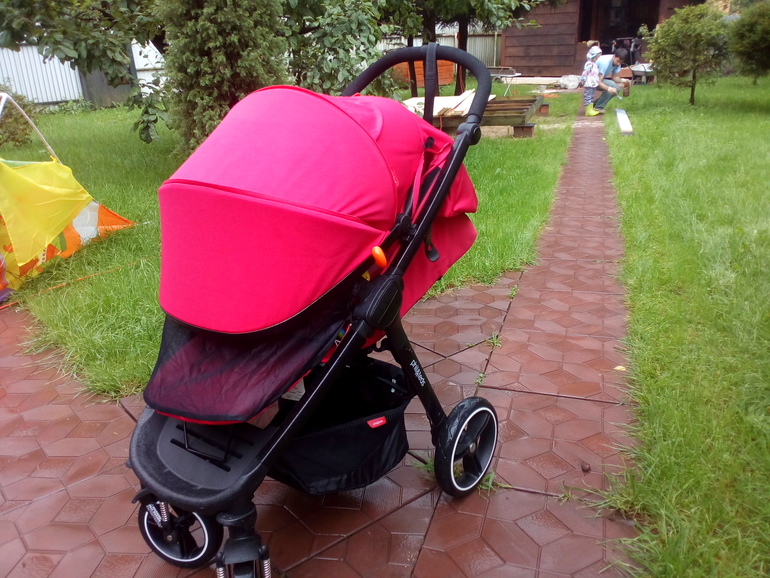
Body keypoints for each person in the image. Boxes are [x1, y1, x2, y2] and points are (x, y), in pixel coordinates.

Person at [587, 48, 629, 116]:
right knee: (612, 85)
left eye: (621, 63)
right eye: (618, 61)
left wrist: (623, 80)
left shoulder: (617, 63)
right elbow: (598, 82)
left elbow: (614, 77)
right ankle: (599, 107)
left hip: (596, 79)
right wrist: (609, 88)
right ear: (614, 56)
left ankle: (595, 104)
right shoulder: (605, 62)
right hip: (589, 80)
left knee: (617, 89)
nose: (618, 64)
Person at [582, 46, 602, 116]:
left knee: (592, 95)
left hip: (593, 83)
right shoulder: (589, 64)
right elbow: (585, 72)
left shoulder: (594, 64)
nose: (597, 59)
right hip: (589, 83)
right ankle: (588, 110)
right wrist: (583, 79)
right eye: (596, 58)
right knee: (588, 95)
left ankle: (591, 108)